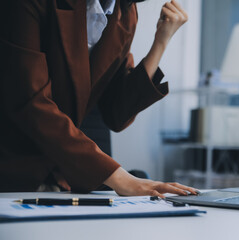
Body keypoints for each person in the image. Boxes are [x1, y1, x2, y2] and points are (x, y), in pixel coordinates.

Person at [0, 0, 198, 198]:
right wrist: (118, 177)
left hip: (59, 179)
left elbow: (116, 114)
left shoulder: (124, 12)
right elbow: (30, 101)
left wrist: (161, 42)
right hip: (12, 170)